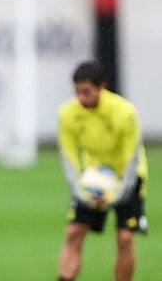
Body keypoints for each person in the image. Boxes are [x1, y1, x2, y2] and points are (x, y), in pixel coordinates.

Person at [57, 61, 148, 281]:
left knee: (125, 237)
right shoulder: (68, 113)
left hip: (128, 177)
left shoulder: (124, 112)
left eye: (86, 92)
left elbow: (132, 157)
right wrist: (79, 191)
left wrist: (119, 193)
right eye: (77, 92)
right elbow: (69, 157)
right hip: (94, 178)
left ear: (102, 87)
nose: (81, 98)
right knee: (74, 233)